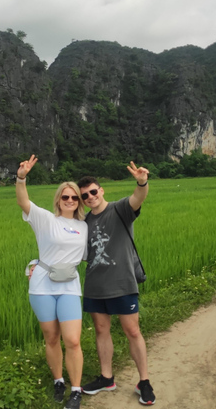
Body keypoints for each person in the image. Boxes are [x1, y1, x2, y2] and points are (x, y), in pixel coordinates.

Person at [78, 162, 156, 406]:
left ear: (101, 190)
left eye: (93, 192)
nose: (90, 197)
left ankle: (144, 381)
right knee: (101, 331)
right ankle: (106, 377)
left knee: (132, 331)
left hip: (122, 282)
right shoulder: (83, 223)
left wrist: (142, 181)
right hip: (95, 285)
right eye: (84, 195)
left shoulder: (120, 209)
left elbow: (138, 197)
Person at [16, 155, 87, 409]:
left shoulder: (84, 225)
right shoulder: (45, 219)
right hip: (43, 287)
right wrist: (21, 177)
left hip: (69, 286)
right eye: (65, 196)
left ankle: (76, 389)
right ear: (58, 199)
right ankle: (59, 380)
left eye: (74, 197)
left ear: (79, 201)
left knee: (73, 340)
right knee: (51, 337)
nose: (69, 200)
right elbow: (23, 201)